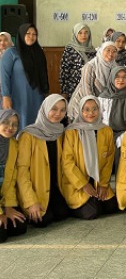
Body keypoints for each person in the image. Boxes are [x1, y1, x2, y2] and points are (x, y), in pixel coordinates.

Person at [62, 96, 118, 220]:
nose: (91, 113)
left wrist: (103, 184)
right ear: (81, 111)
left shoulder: (106, 130)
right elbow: (67, 163)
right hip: (78, 183)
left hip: (99, 181)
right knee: (92, 212)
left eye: (94, 109)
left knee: (112, 207)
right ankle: (72, 206)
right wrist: (84, 185)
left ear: (99, 110)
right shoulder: (72, 132)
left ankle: (96, 198)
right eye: (86, 110)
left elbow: (109, 160)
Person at [16, 94, 69, 227]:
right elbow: (21, 172)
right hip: (36, 191)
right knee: (44, 221)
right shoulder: (28, 135)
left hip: (55, 188)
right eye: (54, 109)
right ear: (45, 109)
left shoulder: (60, 133)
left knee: (62, 214)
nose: (58, 113)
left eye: (63, 110)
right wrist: (30, 201)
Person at [1, 24, 48, 127]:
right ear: (22, 34)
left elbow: (43, 75)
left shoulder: (39, 53)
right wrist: (6, 96)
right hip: (17, 96)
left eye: (34, 34)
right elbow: (4, 76)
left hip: (36, 96)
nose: (31, 36)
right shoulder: (11, 53)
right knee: (17, 123)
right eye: (28, 33)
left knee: (35, 123)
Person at [67, 42, 118, 121]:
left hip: (102, 106)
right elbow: (86, 89)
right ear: (101, 51)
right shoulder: (91, 66)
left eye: (114, 51)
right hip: (83, 103)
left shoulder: (115, 67)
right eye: (108, 50)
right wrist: (95, 107)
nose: (111, 54)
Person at [0, 109, 27, 242]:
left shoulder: (14, 145)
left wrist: (8, 207)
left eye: (14, 124)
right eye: (5, 122)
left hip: (3, 199)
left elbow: (11, 180)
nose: (10, 127)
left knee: (19, 227)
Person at [59, 23, 97, 100]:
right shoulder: (70, 50)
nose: (83, 35)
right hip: (73, 89)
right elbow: (64, 72)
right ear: (75, 34)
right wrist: (64, 91)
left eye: (86, 32)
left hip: (89, 88)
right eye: (80, 33)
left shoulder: (93, 51)